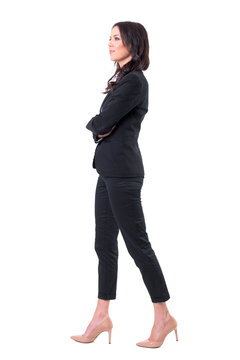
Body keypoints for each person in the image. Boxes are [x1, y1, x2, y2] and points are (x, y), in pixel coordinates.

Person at [70, 21, 178, 349]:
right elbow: (105, 126)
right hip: (107, 171)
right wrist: (101, 127)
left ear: (133, 42)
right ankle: (101, 316)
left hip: (124, 175)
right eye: (109, 38)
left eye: (116, 38)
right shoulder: (122, 80)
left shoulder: (134, 82)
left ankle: (163, 316)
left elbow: (103, 123)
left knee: (137, 245)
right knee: (104, 244)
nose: (110, 43)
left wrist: (96, 125)